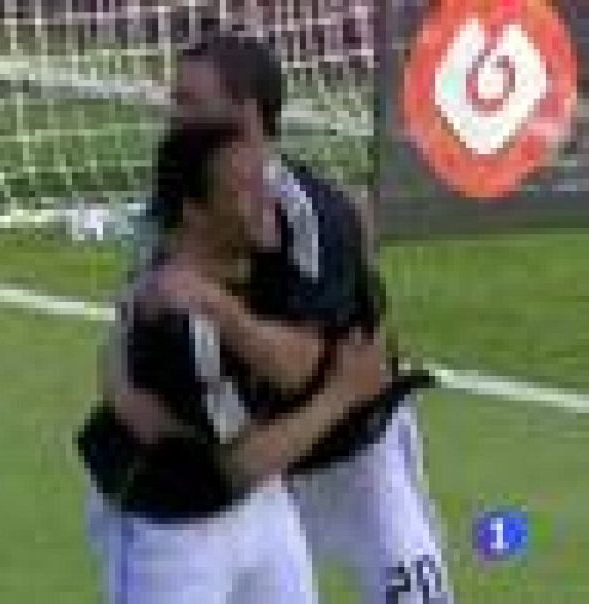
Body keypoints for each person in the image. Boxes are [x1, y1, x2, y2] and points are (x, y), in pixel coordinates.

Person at [106, 31, 453, 603]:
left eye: (189, 102)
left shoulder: (312, 214)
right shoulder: (180, 209)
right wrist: (136, 403)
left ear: (244, 115)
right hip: (248, 473)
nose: (173, 117)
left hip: (352, 450)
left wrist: (217, 309)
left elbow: (302, 370)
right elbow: (130, 333)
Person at [78, 120, 393, 604]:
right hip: (176, 528)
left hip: (263, 506)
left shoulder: (263, 263)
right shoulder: (185, 321)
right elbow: (240, 464)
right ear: (196, 212)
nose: (268, 201)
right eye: (246, 191)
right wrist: (340, 395)